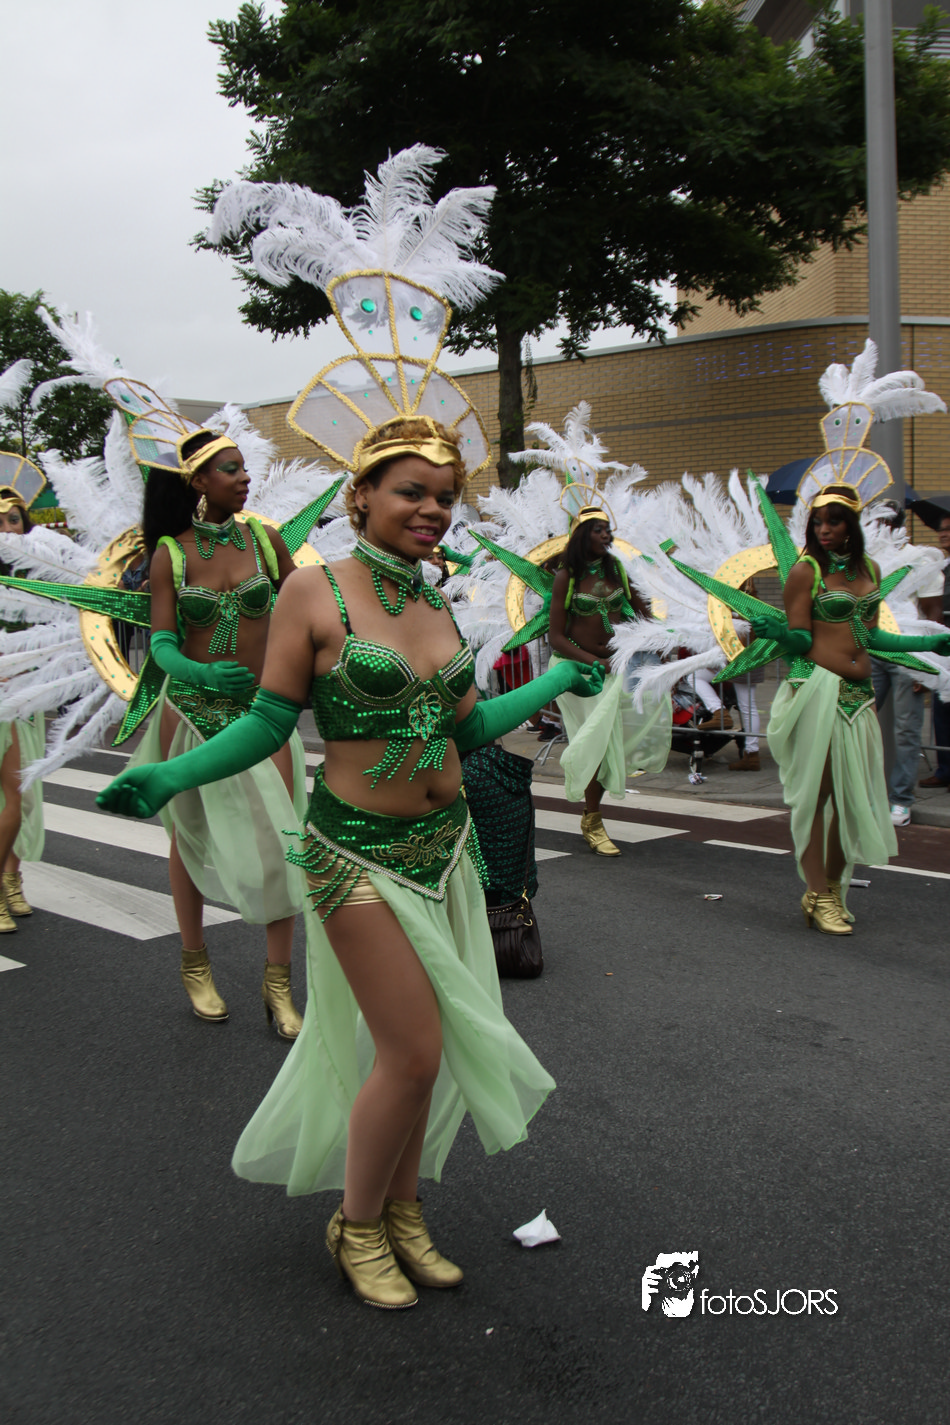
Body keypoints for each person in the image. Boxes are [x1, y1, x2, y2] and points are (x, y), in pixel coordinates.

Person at [98, 416, 603, 1310]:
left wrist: (558, 679)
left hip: (445, 852)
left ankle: (404, 1212)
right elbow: (269, 719)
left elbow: (467, 727)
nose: (433, 509)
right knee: (413, 1050)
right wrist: (171, 772)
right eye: (411, 491)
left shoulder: (436, 600)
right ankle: (357, 1224)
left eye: (445, 496)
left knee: (421, 1053)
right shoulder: (313, 588)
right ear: (359, 495)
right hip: (355, 853)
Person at [132, 429, 308, 1035]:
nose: (244, 477)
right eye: (231, 469)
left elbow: (310, 604)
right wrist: (202, 671)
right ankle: (195, 961)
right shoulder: (171, 555)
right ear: (199, 481)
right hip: (192, 713)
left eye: (244, 467)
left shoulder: (265, 540)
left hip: (263, 714)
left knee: (283, 841)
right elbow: (161, 645)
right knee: (190, 838)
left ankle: (278, 982)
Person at [751, 484, 950, 934]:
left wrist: (926, 643)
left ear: (851, 525)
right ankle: (817, 892)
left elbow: (870, 636)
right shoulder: (805, 570)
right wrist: (778, 633)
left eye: (834, 521)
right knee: (818, 796)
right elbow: (801, 637)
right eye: (818, 522)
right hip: (817, 691)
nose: (824, 529)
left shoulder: (870, 569)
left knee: (849, 799)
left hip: (859, 696)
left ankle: (833, 890)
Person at [548, 510, 668, 855]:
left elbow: (643, 615)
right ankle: (594, 820)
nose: (605, 535)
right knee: (597, 743)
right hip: (576, 673)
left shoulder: (618, 572)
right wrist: (594, 662)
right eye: (598, 530)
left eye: (607, 530)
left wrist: (661, 645)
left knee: (611, 742)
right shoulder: (566, 577)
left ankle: (591, 814)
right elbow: (556, 637)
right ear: (582, 535)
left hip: (614, 670)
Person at [866, 499, 945, 824]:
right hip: (869, 649)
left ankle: (900, 800)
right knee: (855, 721)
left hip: (906, 652)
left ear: (896, 525)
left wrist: (924, 664)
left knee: (906, 730)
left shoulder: (919, 559)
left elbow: (933, 613)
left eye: (883, 522)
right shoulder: (864, 559)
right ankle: (862, 794)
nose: (876, 528)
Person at [0, 487, 45, 932]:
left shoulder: (32, 579)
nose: (7, 529)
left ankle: (12, 879)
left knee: (20, 794)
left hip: (22, 698)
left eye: (14, 519)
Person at [919, 512, 950, 790]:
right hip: (943, 647)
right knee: (941, 707)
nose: (943, 534)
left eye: (949, 529)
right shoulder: (941, 567)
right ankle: (945, 769)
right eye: (941, 529)